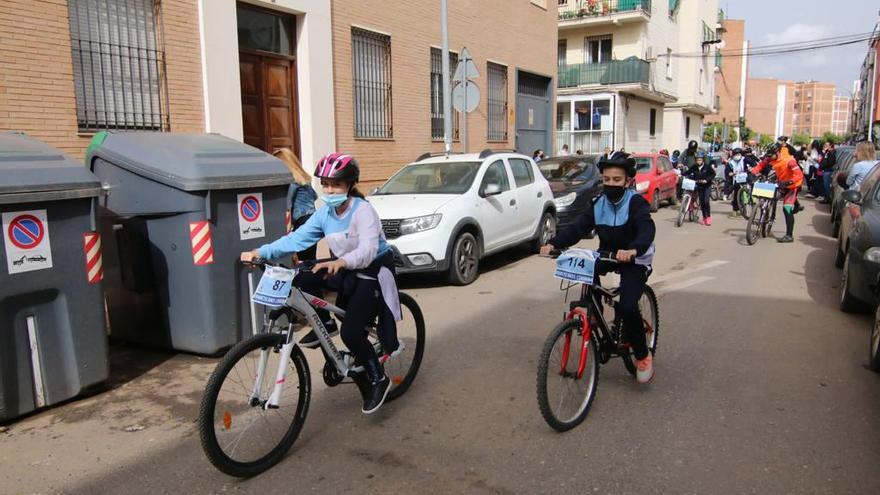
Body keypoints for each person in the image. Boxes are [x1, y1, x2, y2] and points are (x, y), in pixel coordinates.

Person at [240, 152, 401, 414]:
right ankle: (325, 322)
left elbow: (368, 250)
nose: (329, 189)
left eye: (335, 184)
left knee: (351, 331)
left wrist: (342, 262)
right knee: (302, 276)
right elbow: (297, 239)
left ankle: (377, 378)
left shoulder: (363, 211)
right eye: (325, 183)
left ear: (350, 185)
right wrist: (262, 251)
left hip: (373, 271)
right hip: (346, 267)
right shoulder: (324, 213)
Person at [539, 151, 657, 384]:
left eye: (617, 180)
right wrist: (554, 243)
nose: (611, 185)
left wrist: (634, 249)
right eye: (606, 180)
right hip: (607, 254)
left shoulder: (636, 204)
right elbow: (578, 227)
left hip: (634, 258)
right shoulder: (598, 203)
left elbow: (646, 230)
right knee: (586, 268)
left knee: (627, 306)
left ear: (627, 181)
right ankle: (592, 314)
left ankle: (643, 355)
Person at [750, 143, 804, 243]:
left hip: (792, 186)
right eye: (768, 156)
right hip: (780, 183)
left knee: (786, 209)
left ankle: (789, 236)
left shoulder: (790, 161)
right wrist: (752, 173)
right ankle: (765, 217)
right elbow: (761, 165)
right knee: (767, 196)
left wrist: (790, 181)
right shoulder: (771, 157)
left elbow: (799, 175)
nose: (769, 158)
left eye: (771, 156)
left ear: (777, 152)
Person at [274, 148, 318, 261]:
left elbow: (287, 207)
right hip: (313, 219)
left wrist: (286, 232)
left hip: (302, 221)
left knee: (302, 259)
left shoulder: (292, 181)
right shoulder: (303, 179)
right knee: (310, 257)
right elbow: (315, 196)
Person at [684, 150, 716, 225]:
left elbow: (713, 174)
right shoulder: (694, 167)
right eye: (697, 160)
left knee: (706, 201)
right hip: (699, 186)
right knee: (702, 203)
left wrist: (706, 180)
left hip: (707, 186)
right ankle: (704, 217)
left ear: (703, 160)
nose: (699, 161)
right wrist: (680, 174)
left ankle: (708, 217)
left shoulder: (707, 167)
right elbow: (687, 172)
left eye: (700, 160)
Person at [726, 148, 749, 218]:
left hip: (745, 179)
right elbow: (727, 172)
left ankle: (744, 208)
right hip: (736, 180)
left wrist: (751, 169)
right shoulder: (730, 163)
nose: (737, 156)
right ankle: (735, 210)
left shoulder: (745, 160)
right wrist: (731, 173)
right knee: (736, 195)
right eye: (735, 154)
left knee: (746, 194)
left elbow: (754, 164)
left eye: (738, 154)